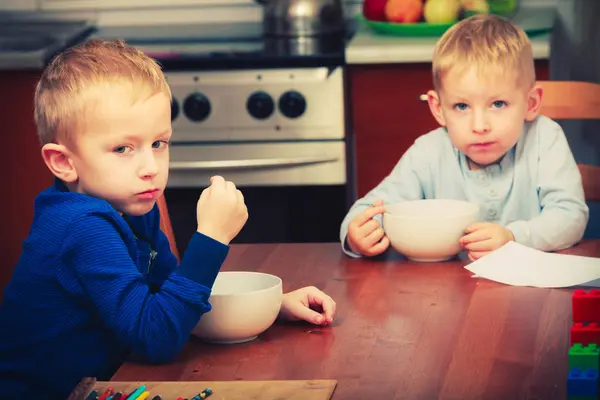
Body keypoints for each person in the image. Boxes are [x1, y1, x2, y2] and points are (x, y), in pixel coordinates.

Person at [0, 39, 336, 399]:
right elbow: (157, 337)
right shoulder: (82, 226)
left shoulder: (131, 205)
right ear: (64, 162)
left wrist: (268, 306)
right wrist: (211, 237)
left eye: (158, 143)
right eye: (122, 149)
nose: (150, 168)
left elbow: (168, 299)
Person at [340, 14, 589, 261]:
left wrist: (514, 237)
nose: (479, 126)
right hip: (446, 294)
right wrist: (357, 235)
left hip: (531, 294)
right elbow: (370, 209)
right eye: (461, 106)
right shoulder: (428, 153)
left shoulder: (544, 138)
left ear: (531, 103)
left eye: (498, 103)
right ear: (438, 109)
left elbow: (570, 216)